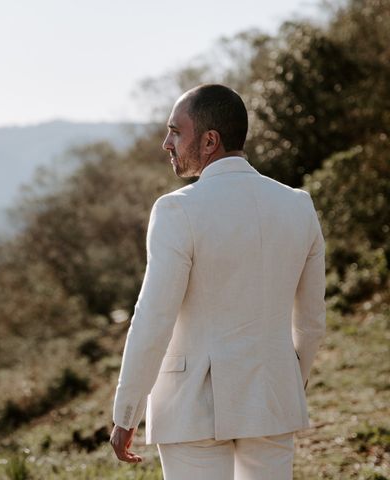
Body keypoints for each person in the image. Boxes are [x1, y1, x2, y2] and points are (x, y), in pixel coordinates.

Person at [109, 84, 326, 479]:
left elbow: (154, 317)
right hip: (273, 399)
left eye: (176, 131)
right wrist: (291, 380)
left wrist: (127, 412)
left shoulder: (177, 210)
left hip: (192, 406)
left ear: (210, 140)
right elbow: (311, 322)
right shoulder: (299, 205)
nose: (166, 143)